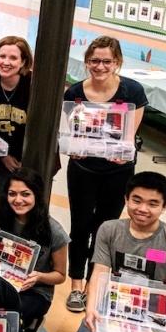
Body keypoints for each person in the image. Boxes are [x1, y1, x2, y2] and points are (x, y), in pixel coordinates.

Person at [64, 36, 148, 313]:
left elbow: (128, 136)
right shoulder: (74, 93)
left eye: (106, 61)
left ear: (117, 63)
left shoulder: (132, 92)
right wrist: (73, 148)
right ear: (87, 61)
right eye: (94, 61)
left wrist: (120, 149)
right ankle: (76, 286)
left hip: (117, 171)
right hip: (83, 169)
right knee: (80, 226)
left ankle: (95, 283)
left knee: (106, 227)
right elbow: (71, 134)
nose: (100, 66)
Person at [67, 171, 166, 332]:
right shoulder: (110, 229)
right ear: (126, 199)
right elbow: (100, 272)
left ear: (164, 207)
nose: (142, 209)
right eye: (137, 200)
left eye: (153, 203)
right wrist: (92, 308)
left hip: (152, 311)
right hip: (113, 304)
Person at [0, 168, 69, 332]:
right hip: (2, 281)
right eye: (12, 194)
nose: (18, 200)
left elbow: (61, 275)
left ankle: (33, 320)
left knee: (4, 313)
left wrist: (38, 277)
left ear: (37, 195)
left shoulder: (55, 232)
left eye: (25, 194)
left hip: (35, 291)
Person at [0, 36, 34, 193]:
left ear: (23, 62)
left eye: (13, 58)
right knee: (6, 197)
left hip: (32, 154)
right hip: (3, 152)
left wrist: (29, 158)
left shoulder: (33, 84)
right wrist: (3, 155)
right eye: (2, 56)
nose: (6, 62)